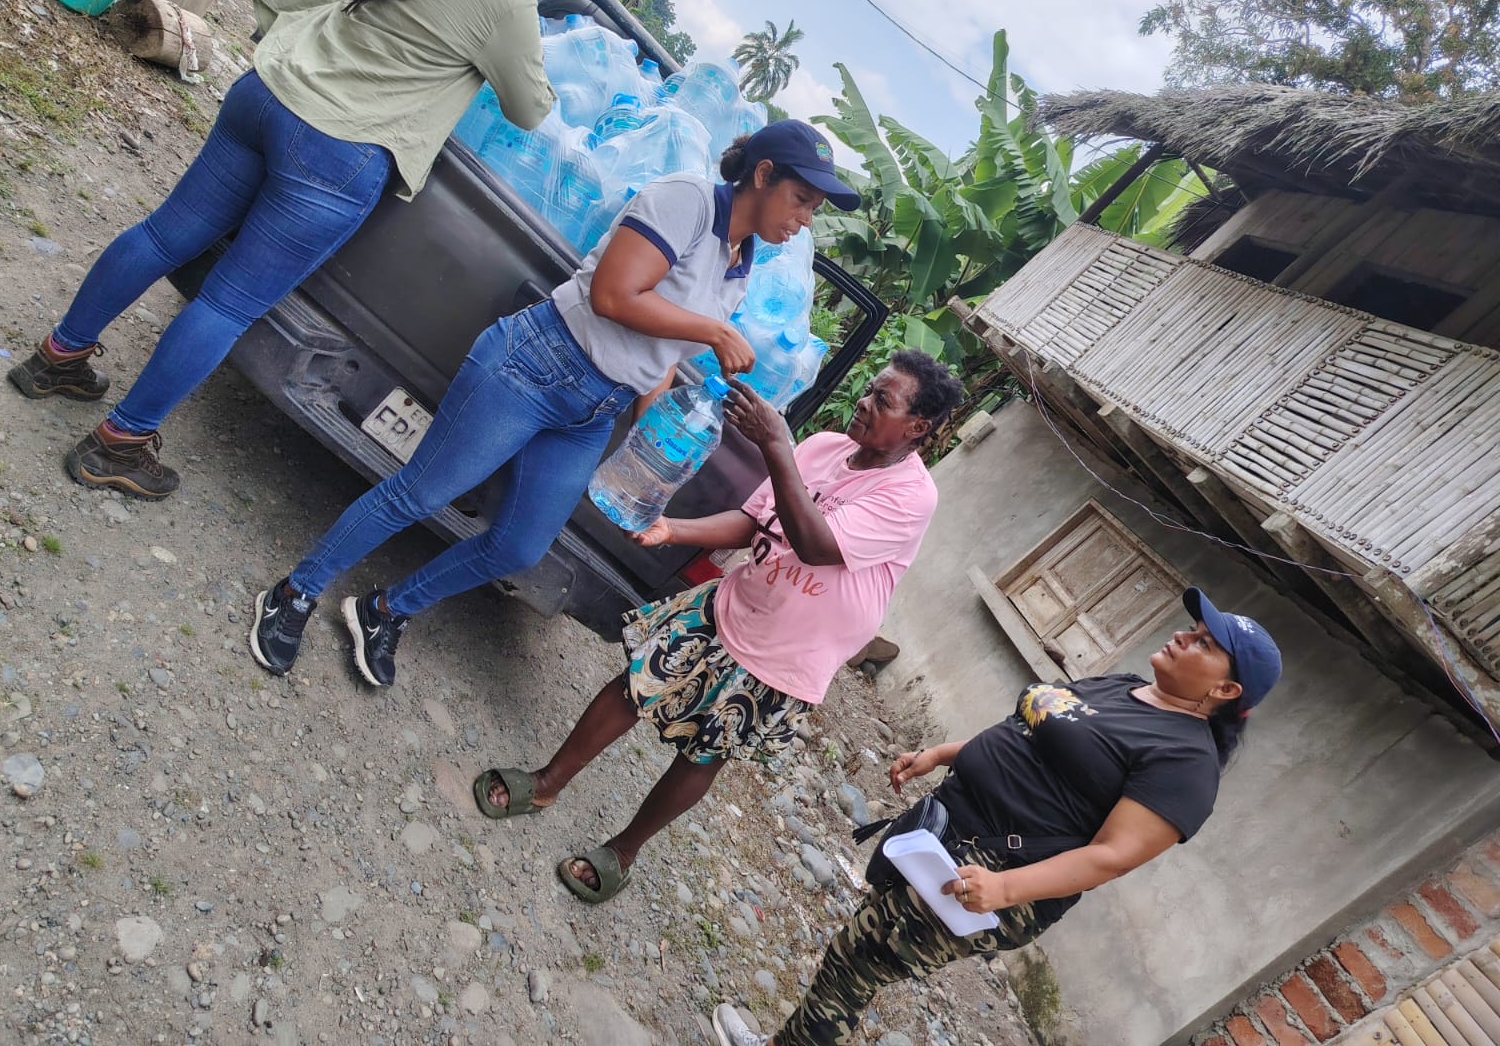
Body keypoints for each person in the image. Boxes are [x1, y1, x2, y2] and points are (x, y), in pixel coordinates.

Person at [6, 0, 583, 499]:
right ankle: (119, 444)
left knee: (163, 235)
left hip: (268, 93)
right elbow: (530, 108)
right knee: (227, 303)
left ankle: (58, 357)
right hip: (336, 153)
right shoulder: (509, 0)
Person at [247, 119, 861, 686]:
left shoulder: (739, 263)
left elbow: (662, 352)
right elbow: (614, 295)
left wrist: (653, 435)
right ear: (763, 174)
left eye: (814, 209)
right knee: (421, 493)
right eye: (802, 199)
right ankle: (294, 593)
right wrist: (715, 332)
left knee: (519, 546)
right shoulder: (689, 202)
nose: (805, 219)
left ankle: (385, 609)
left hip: (594, 410)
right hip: (538, 362)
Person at [472, 350, 963, 904]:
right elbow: (756, 521)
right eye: (869, 389)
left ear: (917, 427)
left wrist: (775, 443)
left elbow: (814, 543)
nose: (865, 402)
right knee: (635, 683)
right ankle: (547, 783)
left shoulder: (910, 496)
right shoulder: (826, 447)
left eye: (883, 400)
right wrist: (672, 529)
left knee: (703, 752)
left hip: (788, 656)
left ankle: (623, 851)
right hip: (736, 602)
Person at [708, 586, 1283, 1046]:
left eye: (1204, 643)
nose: (1184, 635)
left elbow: (1111, 856)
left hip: (993, 871)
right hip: (948, 826)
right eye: (1193, 627)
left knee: (858, 960)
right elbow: (1032, 733)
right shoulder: (1125, 687)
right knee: (860, 947)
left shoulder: (1187, 763)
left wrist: (1003, 889)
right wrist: (944, 753)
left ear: (1227, 688)